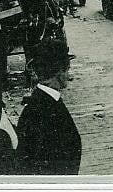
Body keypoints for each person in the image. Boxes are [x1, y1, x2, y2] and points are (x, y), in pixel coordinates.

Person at [16, 39, 81, 175]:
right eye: (67, 70)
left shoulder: (37, 103)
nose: (69, 76)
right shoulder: (46, 108)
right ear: (58, 73)